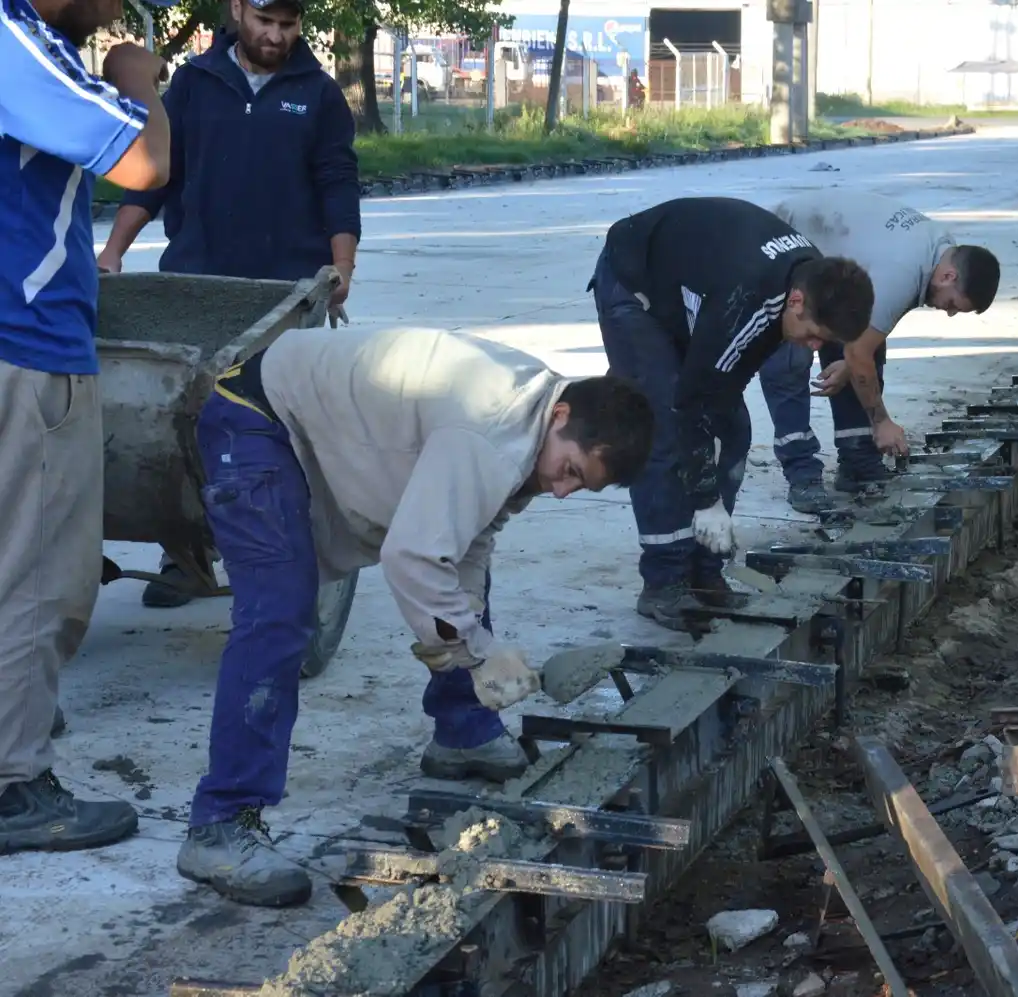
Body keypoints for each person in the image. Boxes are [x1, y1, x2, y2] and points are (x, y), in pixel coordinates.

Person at [175, 326, 653, 906]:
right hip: (257, 417)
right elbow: (414, 558)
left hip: (312, 423)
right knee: (278, 614)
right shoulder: (492, 433)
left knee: (455, 598)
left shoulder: (532, 434)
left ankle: (464, 732)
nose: (560, 493)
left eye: (581, 488)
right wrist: (477, 652)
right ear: (561, 416)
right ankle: (221, 825)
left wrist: (477, 641)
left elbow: (467, 546)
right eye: (571, 472)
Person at [96, 0, 362, 610]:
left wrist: (340, 267)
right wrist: (113, 249)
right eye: (265, 20)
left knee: (266, 429)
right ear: (238, 9)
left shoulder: (317, 94)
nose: (275, 35)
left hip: (282, 294)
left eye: (289, 25)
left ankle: (271, 553)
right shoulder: (196, 81)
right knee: (181, 419)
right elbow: (161, 176)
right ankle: (183, 552)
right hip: (195, 280)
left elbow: (336, 181)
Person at [0, 0, 173, 855]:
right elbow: (145, 162)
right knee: (39, 577)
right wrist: (140, 81)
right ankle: (13, 785)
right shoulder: (16, 42)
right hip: (25, 346)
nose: (114, 6)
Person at [591, 196, 875, 630]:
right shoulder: (752, 298)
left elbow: (718, 396)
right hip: (635, 284)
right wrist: (705, 500)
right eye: (815, 336)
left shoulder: (817, 283)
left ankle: (706, 574)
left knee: (733, 428)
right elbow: (690, 404)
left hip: (692, 277)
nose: (815, 348)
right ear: (796, 302)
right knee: (664, 428)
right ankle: (665, 582)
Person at [756, 191, 1001, 512]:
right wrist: (881, 420)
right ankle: (802, 474)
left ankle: (857, 461)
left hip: (830, 261)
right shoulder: (905, 269)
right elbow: (861, 351)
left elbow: (869, 335)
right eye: (953, 304)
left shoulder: (939, 251)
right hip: (781, 244)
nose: (949, 312)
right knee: (789, 358)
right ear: (948, 276)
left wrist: (850, 361)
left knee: (862, 350)